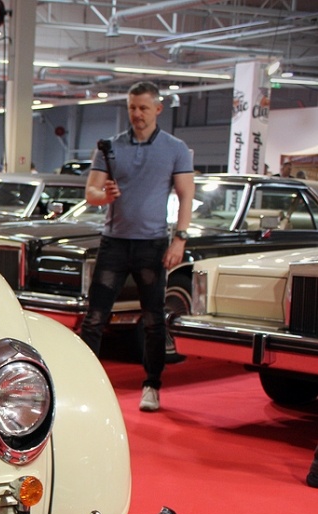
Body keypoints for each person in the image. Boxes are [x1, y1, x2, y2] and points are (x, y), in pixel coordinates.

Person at [80, 81, 194, 413]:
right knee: (94, 317)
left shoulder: (175, 148)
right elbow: (91, 193)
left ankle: (152, 385)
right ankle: (88, 382)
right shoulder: (109, 147)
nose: (137, 114)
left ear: (158, 109)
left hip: (152, 244)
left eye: (143, 107)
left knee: (153, 319)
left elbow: (186, 195)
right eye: (132, 107)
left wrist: (180, 239)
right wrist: (105, 197)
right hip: (114, 243)